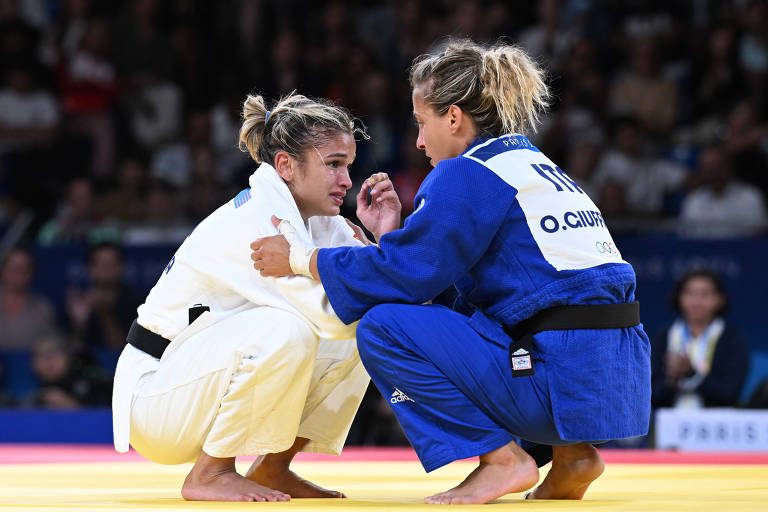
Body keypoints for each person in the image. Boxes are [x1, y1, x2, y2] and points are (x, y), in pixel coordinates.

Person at [252, 39, 651, 504]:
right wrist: (392, 238)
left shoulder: (468, 172)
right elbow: (456, 294)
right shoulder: (540, 168)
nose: (419, 140)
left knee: (383, 328)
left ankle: (502, 461)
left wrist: (302, 259)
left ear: (455, 118)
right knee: (498, 315)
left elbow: (409, 278)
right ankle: (573, 457)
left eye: (422, 122)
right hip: (617, 383)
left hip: (558, 376)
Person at [112, 92, 400, 502]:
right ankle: (210, 474)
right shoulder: (258, 222)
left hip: (198, 383)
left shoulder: (321, 219)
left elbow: (387, 295)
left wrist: (381, 239)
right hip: (157, 398)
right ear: (285, 165)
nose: (347, 181)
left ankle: (273, 468)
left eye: (348, 166)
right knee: (291, 328)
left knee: (367, 328)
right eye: (333, 164)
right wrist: (353, 266)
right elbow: (336, 314)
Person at [651, 268, 750, 409]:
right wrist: (671, 379)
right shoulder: (663, 335)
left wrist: (692, 374)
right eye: (689, 293)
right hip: (668, 424)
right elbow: (652, 394)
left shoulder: (732, 338)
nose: (696, 301)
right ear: (678, 297)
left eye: (705, 294)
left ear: (720, 299)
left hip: (717, 425)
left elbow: (730, 392)